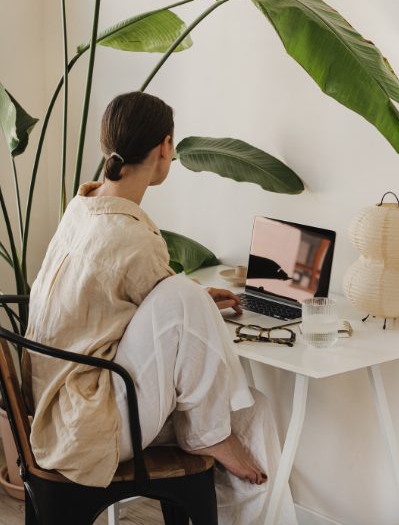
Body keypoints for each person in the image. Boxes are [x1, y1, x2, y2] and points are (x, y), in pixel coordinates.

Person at [25, 92, 297, 524]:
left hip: (51, 406)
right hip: (91, 423)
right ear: (165, 147)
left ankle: (213, 438)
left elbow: (136, 295)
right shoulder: (129, 234)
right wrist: (194, 299)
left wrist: (194, 300)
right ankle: (210, 438)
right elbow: (168, 297)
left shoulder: (82, 207)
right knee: (242, 411)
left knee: (252, 408)